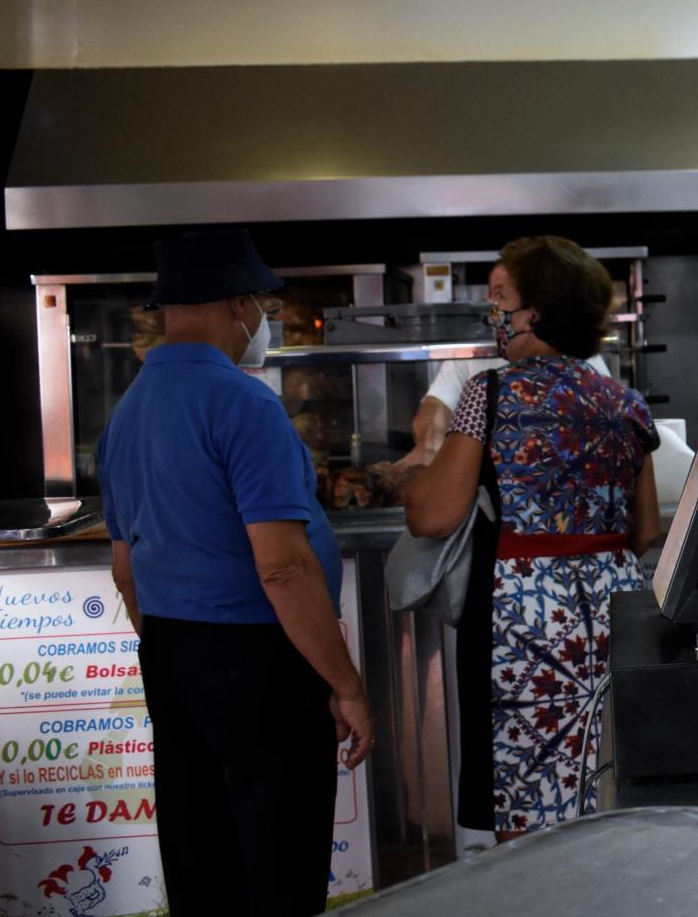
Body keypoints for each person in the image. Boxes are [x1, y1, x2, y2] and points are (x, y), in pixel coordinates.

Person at [98, 229, 373, 917]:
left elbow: (125, 569)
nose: (265, 318)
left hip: (170, 651)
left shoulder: (126, 413)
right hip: (258, 661)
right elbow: (281, 568)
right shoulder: (244, 404)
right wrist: (344, 684)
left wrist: (177, 650)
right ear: (237, 303)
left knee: (200, 858)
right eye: (261, 302)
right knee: (279, 867)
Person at [403, 236, 659, 837]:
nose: (493, 312)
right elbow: (644, 531)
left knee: (526, 797)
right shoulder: (625, 401)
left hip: (521, 620)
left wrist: (416, 474)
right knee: (606, 786)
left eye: (501, 299)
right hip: (615, 612)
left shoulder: (488, 394)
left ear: (535, 312)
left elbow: (434, 516)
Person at [400, 261, 614, 467]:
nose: (494, 307)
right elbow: (437, 404)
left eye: (501, 295)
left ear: (531, 311)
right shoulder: (474, 355)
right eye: (492, 294)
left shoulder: (484, 388)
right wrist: (431, 444)